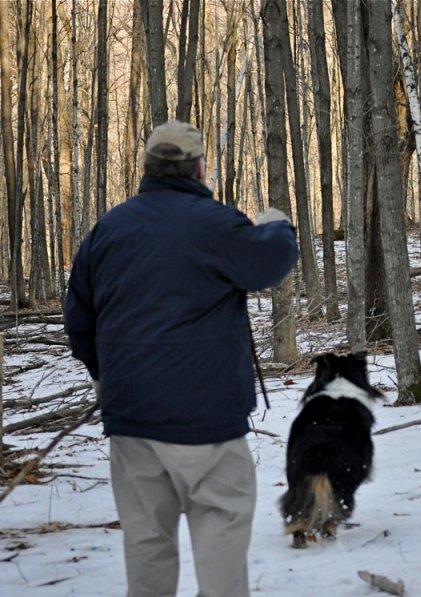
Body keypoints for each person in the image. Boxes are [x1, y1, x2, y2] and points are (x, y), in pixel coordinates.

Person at [64, 119, 299, 597]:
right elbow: (271, 261)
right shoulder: (214, 223)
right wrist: (276, 223)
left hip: (131, 418)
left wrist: (106, 376)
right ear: (196, 168)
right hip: (205, 420)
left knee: (147, 541)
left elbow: (79, 319)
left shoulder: (108, 229)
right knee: (220, 528)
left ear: (148, 168)